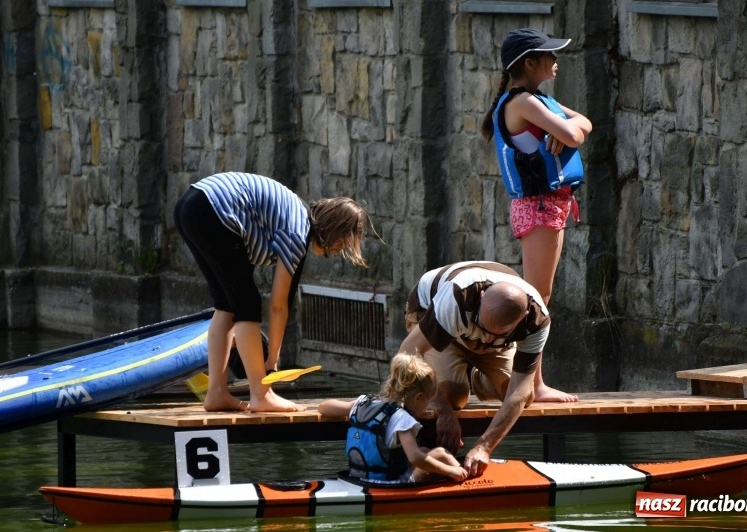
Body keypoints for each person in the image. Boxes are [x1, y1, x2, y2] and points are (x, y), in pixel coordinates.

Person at [174, 171, 373, 413]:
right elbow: (277, 305)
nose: (339, 250)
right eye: (342, 243)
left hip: (191, 206)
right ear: (333, 230)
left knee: (226, 305)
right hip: (212, 210)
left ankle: (217, 392)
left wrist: (272, 357)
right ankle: (261, 395)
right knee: (247, 304)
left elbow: (284, 302)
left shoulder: (295, 218)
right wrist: (272, 360)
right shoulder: (297, 231)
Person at [481, 28, 593, 403]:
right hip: (540, 206)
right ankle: (531, 383)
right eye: (549, 54)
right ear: (530, 64)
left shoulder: (540, 100)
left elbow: (583, 123)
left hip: (552, 205)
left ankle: (528, 380)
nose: (556, 59)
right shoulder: (524, 104)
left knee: (541, 296)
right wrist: (567, 131)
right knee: (536, 298)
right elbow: (576, 135)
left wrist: (566, 128)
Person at [399, 261, 552, 477]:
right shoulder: (457, 296)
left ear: (523, 315)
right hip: (433, 316)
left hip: (473, 325)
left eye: (498, 333)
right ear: (481, 298)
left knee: (523, 396)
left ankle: (474, 377)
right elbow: (406, 354)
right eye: (485, 328)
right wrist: (443, 411)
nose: (488, 339)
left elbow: (518, 393)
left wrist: (484, 447)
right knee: (454, 396)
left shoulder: (537, 321)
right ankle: (457, 377)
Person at [318, 353, 468, 483]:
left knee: (423, 449)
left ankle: (459, 472)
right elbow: (415, 458)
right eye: (427, 403)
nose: (426, 409)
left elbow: (323, 407)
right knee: (440, 453)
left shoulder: (362, 403)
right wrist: (449, 470)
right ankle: (465, 477)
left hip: (357, 479)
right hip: (390, 484)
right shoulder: (402, 419)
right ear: (418, 398)